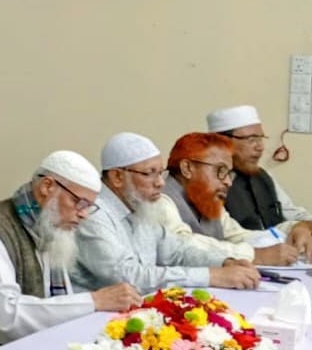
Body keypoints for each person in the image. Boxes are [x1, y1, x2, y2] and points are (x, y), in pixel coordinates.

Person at [0, 151, 139, 346]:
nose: (84, 214)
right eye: (79, 202)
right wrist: (94, 301)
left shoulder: (48, 225)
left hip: (40, 343)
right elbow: (5, 318)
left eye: (89, 206)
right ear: (47, 186)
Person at [74, 132, 260, 294]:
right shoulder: (92, 215)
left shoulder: (140, 207)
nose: (161, 183)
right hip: (92, 318)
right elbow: (128, 277)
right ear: (117, 177)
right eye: (149, 173)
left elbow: (177, 252)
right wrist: (210, 276)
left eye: (160, 173)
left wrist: (223, 262)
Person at [163, 132, 307, 263]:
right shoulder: (161, 199)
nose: (228, 182)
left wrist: (295, 228)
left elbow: (240, 237)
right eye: (220, 171)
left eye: (228, 173)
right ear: (187, 168)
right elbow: (184, 245)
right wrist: (254, 255)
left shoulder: (207, 200)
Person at [208, 104, 312, 235]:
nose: (260, 147)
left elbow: (292, 213)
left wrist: (307, 224)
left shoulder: (263, 176)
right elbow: (229, 235)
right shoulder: (204, 182)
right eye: (251, 139)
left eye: (260, 138)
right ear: (222, 142)